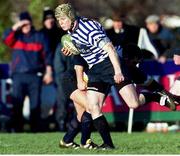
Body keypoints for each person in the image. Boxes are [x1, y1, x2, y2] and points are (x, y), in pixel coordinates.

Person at [54, 3, 147, 149]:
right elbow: (83, 53)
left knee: (133, 104)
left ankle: (76, 141)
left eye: (63, 19)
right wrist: (72, 51)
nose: (61, 23)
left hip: (107, 66)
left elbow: (109, 47)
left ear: (72, 17)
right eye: (59, 20)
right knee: (93, 107)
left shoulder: (87, 29)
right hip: (94, 70)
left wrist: (117, 71)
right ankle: (107, 145)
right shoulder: (71, 32)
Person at [2, 11, 53, 132]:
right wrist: (17, 25)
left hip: (35, 75)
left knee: (35, 104)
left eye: (27, 22)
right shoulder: (16, 37)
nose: (26, 25)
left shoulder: (39, 36)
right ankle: (18, 129)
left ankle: (35, 129)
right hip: (18, 75)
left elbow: (47, 56)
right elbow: (5, 38)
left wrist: (49, 72)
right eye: (23, 23)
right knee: (17, 103)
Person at [54, 43, 98, 149]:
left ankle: (67, 141)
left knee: (81, 114)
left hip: (78, 80)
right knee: (91, 107)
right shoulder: (83, 40)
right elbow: (78, 60)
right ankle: (85, 142)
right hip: (71, 79)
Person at [39, 7, 66, 131]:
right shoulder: (39, 34)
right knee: (45, 99)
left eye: (51, 18)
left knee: (61, 97)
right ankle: (43, 123)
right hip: (43, 72)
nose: (49, 21)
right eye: (47, 19)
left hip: (60, 70)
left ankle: (60, 121)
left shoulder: (61, 34)